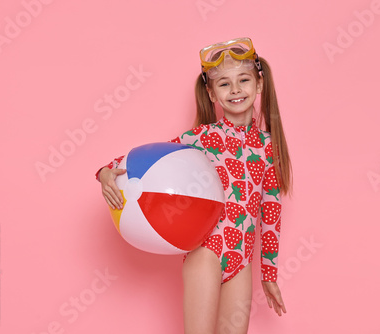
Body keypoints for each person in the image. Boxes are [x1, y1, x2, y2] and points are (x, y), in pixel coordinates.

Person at [96, 37, 292, 334]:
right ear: (212, 94)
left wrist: (269, 274)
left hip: (241, 261)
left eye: (243, 80)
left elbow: (271, 213)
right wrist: (106, 172)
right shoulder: (201, 138)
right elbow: (148, 159)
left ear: (259, 85)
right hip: (207, 252)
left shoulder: (268, 147)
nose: (236, 89)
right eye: (224, 84)